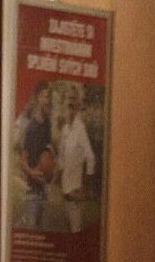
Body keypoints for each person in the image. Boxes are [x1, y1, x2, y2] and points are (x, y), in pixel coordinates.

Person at [15, 82, 55, 230]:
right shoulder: (30, 127)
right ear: (38, 98)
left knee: (45, 234)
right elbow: (22, 160)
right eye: (45, 96)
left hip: (45, 189)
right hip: (32, 190)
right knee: (31, 233)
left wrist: (51, 167)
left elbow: (47, 153)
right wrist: (32, 172)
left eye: (49, 97)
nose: (48, 100)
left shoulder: (48, 124)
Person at [57, 85, 96, 234]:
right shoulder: (65, 129)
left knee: (75, 231)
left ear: (78, 104)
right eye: (68, 98)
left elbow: (91, 158)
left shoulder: (80, 129)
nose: (70, 102)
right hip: (64, 190)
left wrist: (85, 187)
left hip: (75, 191)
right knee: (66, 231)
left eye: (73, 99)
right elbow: (62, 157)